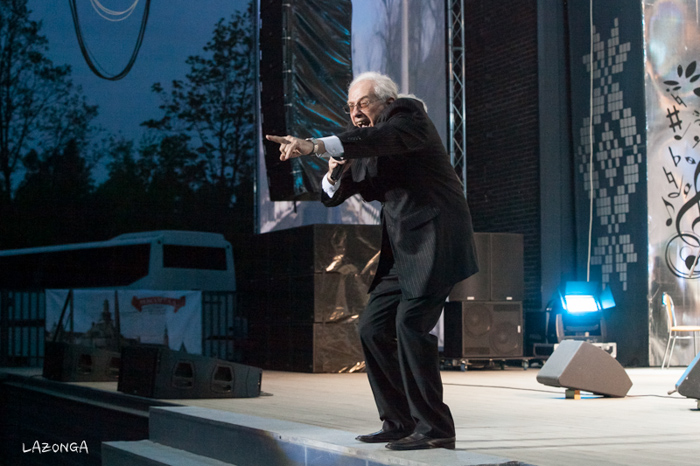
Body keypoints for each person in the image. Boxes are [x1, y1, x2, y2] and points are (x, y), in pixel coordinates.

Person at [265, 71, 478, 450]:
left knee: (410, 325)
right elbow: (334, 194)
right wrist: (333, 172)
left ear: (387, 102)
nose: (355, 113)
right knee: (372, 328)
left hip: (437, 240)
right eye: (350, 107)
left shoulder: (409, 118)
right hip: (404, 251)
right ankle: (398, 421)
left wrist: (314, 145)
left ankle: (436, 429)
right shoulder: (366, 143)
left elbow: (378, 139)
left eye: (363, 103)